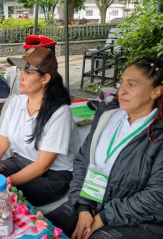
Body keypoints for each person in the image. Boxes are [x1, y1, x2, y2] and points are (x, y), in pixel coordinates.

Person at [46, 57, 163, 239]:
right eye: (121, 83)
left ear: (156, 91)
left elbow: (157, 197)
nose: (122, 91)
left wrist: (105, 216)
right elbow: (82, 161)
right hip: (92, 202)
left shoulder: (157, 135)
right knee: (46, 227)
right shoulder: (110, 116)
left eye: (131, 85)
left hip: (141, 219)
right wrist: (83, 206)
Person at [0, 47, 79, 206]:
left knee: (2, 196)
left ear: (45, 78)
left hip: (50, 176)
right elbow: (1, 143)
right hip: (19, 163)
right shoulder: (16, 102)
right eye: (20, 71)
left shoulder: (59, 113)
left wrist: (7, 182)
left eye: (27, 73)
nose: (20, 77)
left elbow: (43, 164)